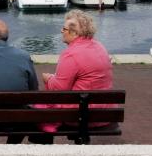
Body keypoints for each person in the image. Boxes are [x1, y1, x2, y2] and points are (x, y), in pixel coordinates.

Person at [36, 10, 114, 140]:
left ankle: (43, 145)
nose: (61, 31)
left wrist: (48, 79)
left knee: (36, 110)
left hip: (81, 115)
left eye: (64, 28)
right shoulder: (99, 46)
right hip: (104, 112)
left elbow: (59, 90)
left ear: (74, 33)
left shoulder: (71, 54)